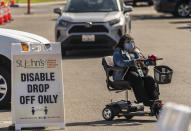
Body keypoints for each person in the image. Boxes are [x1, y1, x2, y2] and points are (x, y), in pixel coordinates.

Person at [113, 34, 160, 107]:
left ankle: (154, 100)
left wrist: (149, 61)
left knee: (149, 79)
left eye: (132, 41)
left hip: (137, 71)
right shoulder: (118, 51)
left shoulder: (136, 50)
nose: (131, 43)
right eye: (128, 42)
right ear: (123, 43)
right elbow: (119, 62)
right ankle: (144, 101)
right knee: (136, 79)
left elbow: (143, 60)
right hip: (124, 73)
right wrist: (133, 62)